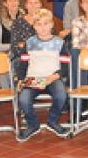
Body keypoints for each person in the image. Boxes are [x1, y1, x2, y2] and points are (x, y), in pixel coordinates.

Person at [16, 9, 72, 141]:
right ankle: (33, 124)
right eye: (39, 24)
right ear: (34, 26)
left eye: (46, 23)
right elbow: (23, 64)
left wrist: (54, 76)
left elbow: (65, 66)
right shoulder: (29, 43)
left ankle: (52, 121)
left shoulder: (60, 43)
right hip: (33, 78)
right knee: (23, 99)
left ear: (52, 24)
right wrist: (20, 79)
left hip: (52, 78)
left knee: (61, 95)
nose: (43, 27)